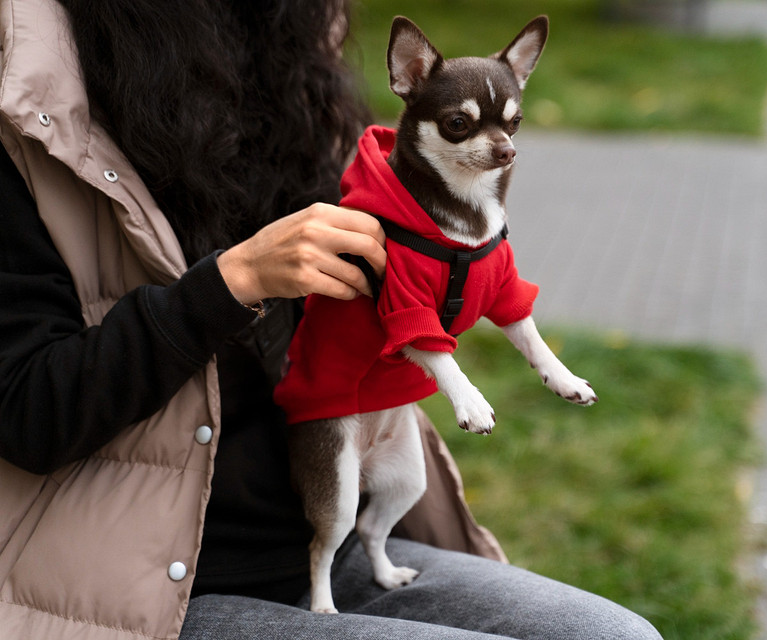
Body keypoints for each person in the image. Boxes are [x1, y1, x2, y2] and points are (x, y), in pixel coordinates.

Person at [0, 1, 664, 639]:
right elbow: (26, 408)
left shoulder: (284, 54)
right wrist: (235, 282)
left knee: (617, 632)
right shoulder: (30, 102)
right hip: (147, 587)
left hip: (332, 531)